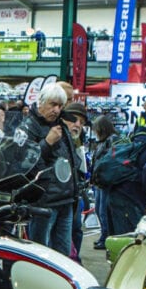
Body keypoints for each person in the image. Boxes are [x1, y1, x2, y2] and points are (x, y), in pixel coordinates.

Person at [19, 84, 79, 256]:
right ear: (41, 102)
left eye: (60, 106)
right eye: (53, 104)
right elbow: (25, 163)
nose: (56, 110)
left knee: (63, 255)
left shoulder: (61, 126)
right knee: (40, 254)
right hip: (43, 203)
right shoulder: (28, 127)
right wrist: (47, 143)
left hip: (65, 200)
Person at [61, 102, 89, 261]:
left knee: (76, 229)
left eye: (82, 122)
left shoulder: (78, 140)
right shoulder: (57, 137)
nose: (78, 125)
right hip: (58, 198)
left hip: (75, 193)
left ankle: (73, 261)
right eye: (74, 120)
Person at [90, 114, 118, 249]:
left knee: (104, 211)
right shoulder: (103, 141)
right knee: (99, 210)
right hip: (100, 181)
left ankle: (106, 237)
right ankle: (104, 235)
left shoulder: (111, 140)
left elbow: (110, 161)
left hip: (106, 182)